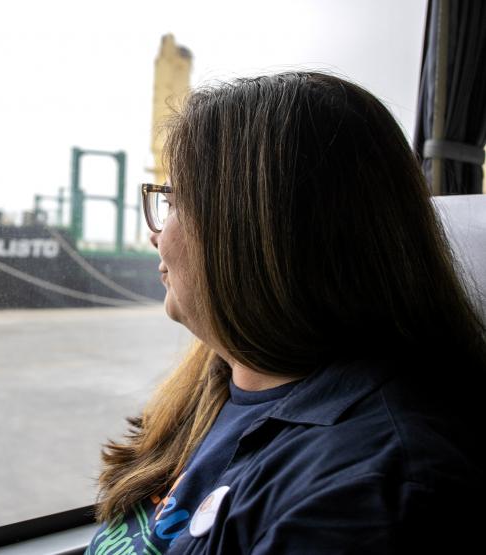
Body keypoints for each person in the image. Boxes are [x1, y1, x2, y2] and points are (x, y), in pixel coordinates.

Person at [85, 72, 486, 554]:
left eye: (172, 202)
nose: (155, 234)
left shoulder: (368, 496)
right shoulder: (220, 384)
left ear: (250, 233)